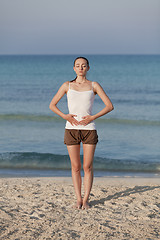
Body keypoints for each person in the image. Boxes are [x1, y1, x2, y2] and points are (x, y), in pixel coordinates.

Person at [49, 57, 114, 209]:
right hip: (71, 129)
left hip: (89, 129)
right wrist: (65, 116)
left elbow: (109, 106)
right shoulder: (67, 85)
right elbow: (52, 105)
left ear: (88, 68)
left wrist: (92, 117)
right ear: (74, 68)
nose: (81, 68)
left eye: (83, 66)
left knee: (88, 167)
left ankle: (86, 200)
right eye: (78, 66)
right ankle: (78, 199)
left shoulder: (94, 85)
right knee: (75, 166)